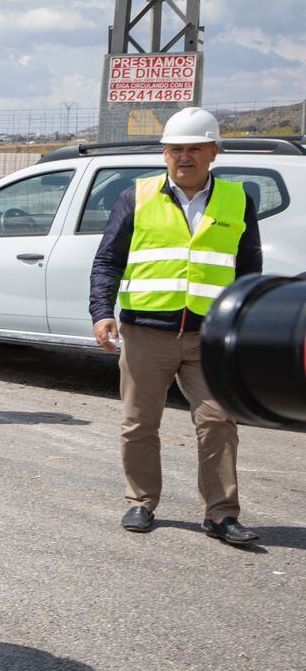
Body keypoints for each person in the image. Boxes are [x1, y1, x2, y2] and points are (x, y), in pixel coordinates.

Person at [89, 106, 262, 546]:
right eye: (176, 149)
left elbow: (248, 271)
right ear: (164, 154)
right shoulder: (137, 195)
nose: (185, 157)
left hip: (210, 335)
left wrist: (245, 325)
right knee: (139, 422)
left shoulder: (239, 200)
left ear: (213, 153)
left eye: (195, 149)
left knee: (219, 421)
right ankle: (141, 501)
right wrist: (102, 312)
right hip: (148, 331)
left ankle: (221, 514)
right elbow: (108, 260)